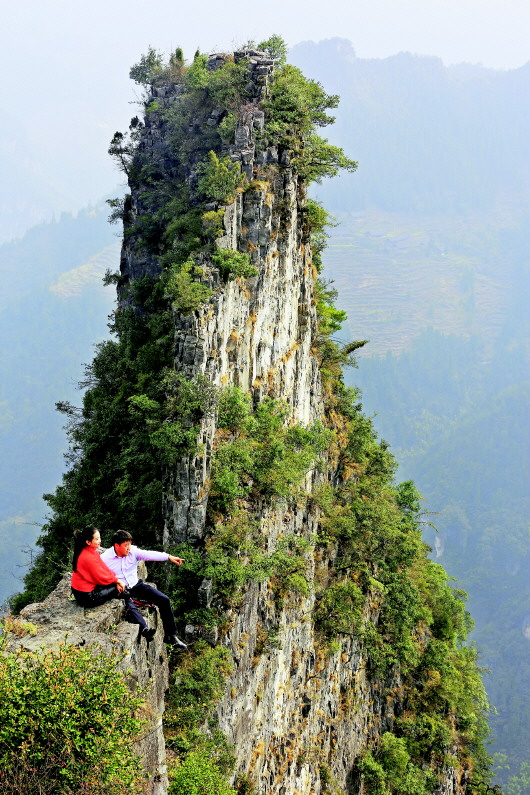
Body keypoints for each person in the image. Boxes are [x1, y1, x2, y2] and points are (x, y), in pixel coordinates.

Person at [101, 529, 187, 648]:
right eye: (126, 546)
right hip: (121, 589)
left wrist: (168, 557)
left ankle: (171, 636)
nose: (128, 548)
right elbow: (98, 575)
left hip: (136, 585)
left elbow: (149, 554)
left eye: (129, 545)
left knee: (164, 600)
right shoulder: (105, 558)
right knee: (129, 606)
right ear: (116, 545)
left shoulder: (133, 552)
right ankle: (145, 629)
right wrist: (112, 583)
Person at [71, 527, 128, 607]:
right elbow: (101, 576)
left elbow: (103, 567)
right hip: (86, 597)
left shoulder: (91, 550)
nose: (100, 540)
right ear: (88, 542)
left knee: (116, 584)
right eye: (97, 539)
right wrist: (117, 581)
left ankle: (127, 596)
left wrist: (115, 579)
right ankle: (130, 600)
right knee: (118, 588)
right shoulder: (87, 557)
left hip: (83, 590)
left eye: (99, 537)